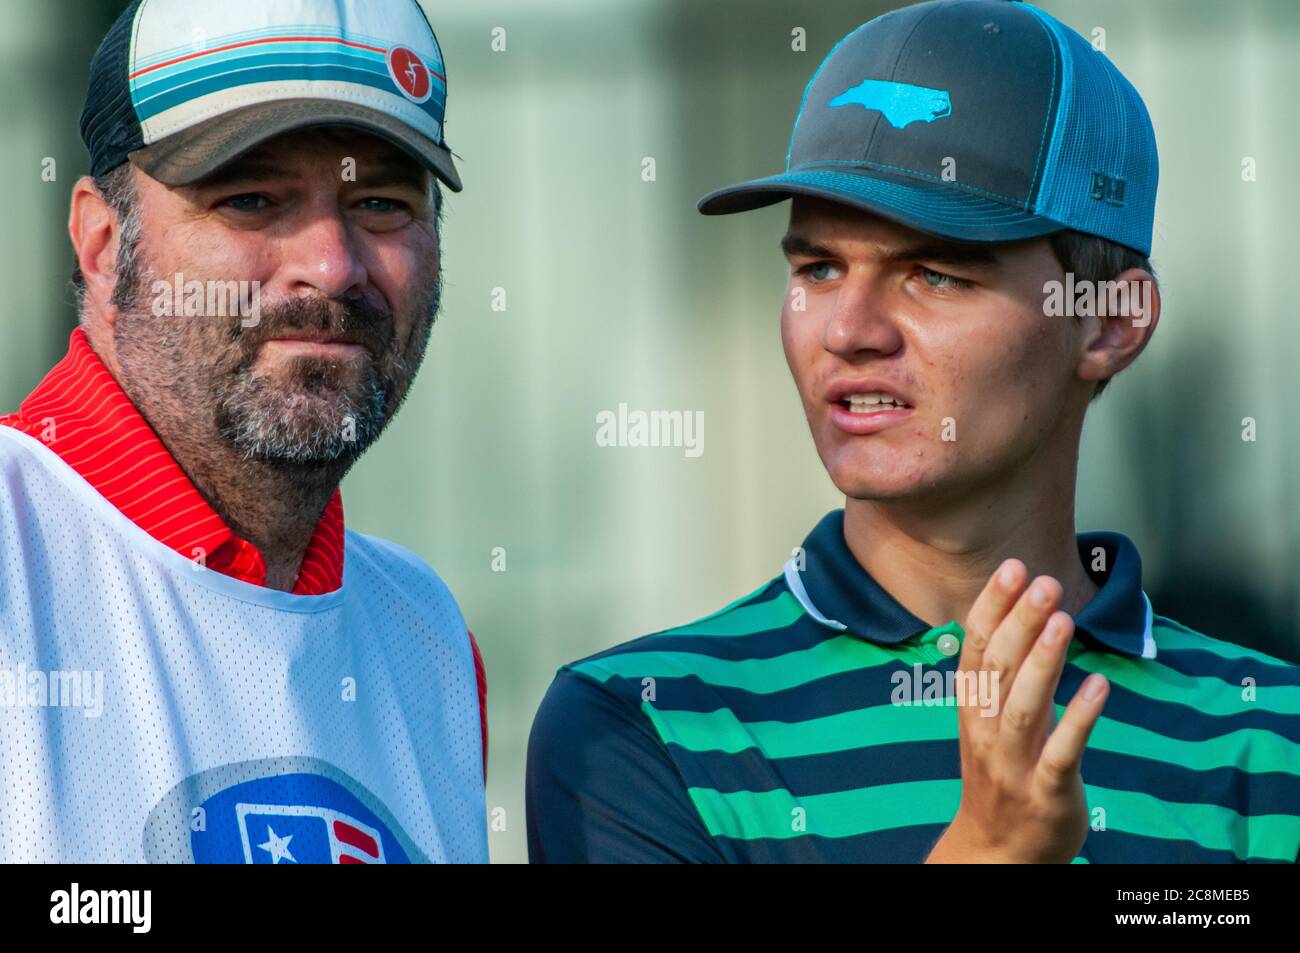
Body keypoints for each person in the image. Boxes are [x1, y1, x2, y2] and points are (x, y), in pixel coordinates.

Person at [526, 0, 1300, 863]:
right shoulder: (642, 722)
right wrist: (991, 850)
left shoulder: (1271, 741)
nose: (849, 329)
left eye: (934, 274)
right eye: (818, 268)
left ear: (1111, 321)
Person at [0, 0, 485, 863]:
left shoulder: (428, 636)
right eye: (252, 198)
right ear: (105, 244)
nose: (332, 266)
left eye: (379, 201)